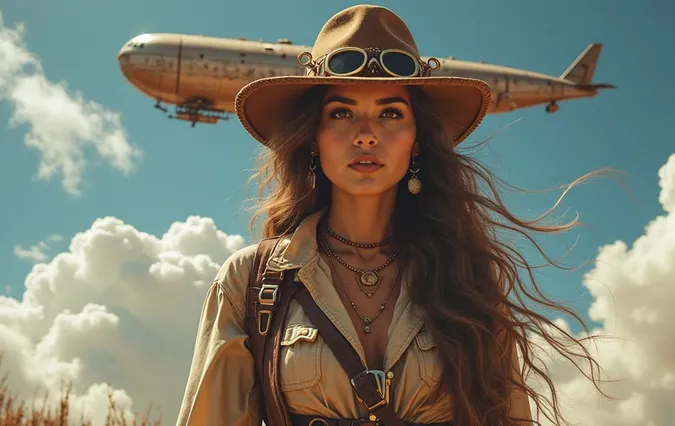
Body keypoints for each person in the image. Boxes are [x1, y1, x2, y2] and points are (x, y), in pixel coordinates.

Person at [176, 4, 604, 426]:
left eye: (390, 113)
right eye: (341, 112)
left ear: (417, 141)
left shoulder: (469, 279)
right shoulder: (251, 282)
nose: (366, 135)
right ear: (312, 137)